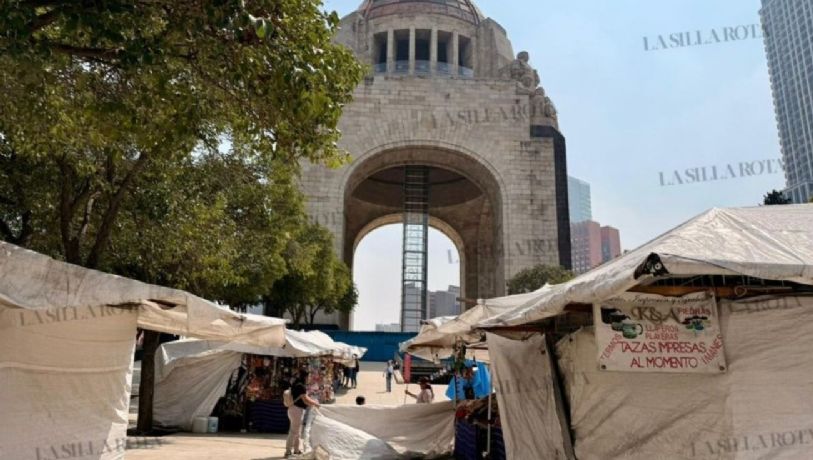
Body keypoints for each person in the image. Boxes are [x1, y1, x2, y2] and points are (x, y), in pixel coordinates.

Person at [286, 372, 320, 458]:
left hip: (293, 409)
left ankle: (296, 450)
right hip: (296, 410)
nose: (309, 378)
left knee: (297, 432)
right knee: (293, 431)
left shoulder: (296, 384)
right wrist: (315, 404)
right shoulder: (301, 386)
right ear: (305, 377)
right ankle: (288, 451)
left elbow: (305, 398)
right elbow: (305, 400)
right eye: (308, 376)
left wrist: (313, 403)